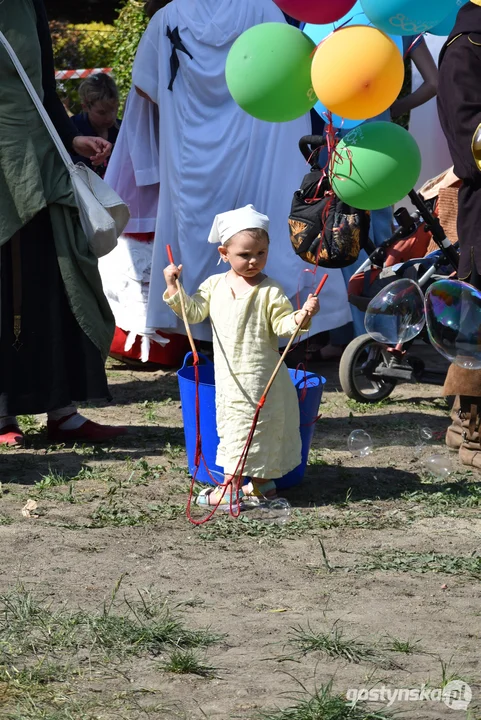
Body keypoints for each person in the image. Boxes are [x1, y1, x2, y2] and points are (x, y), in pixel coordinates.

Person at [127, 0, 352, 351]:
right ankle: (281, 328)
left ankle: (205, 338)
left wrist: (190, 105)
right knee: (267, 223)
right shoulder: (265, 10)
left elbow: (145, 85)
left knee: (199, 241)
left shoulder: (168, 16)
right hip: (260, 139)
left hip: (192, 154)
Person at [0, 0, 126, 447]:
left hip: (43, 164)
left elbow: (45, 91)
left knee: (57, 278)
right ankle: (2, 415)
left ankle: (62, 410)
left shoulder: (28, 5)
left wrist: (73, 141)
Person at [163, 206, 320, 506]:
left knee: (259, 428)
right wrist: (174, 286)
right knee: (235, 427)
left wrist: (302, 316)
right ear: (224, 253)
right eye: (245, 254)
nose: (253, 261)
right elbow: (193, 312)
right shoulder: (214, 285)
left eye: (261, 253)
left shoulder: (270, 291)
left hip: (262, 378)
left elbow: (284, 327)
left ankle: (237, 488)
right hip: (230, 377)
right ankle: (255, 487)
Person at [437, 0, 481, 469]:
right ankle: (473, 435)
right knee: (479, 320)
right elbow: (471, 149)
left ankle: (461, 424)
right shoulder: (467, 47)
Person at [70, 73, 121, 178]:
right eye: (102, 113)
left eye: (114, 109)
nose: (110, 117)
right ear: (85, 107)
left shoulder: (121, 130)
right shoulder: (72, 130)